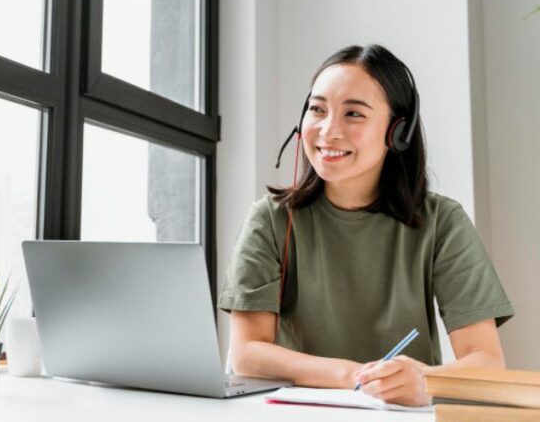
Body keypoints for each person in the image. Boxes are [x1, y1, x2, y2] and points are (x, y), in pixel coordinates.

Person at [218, 44, 514, 407]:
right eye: (317, 109)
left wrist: (427, 380)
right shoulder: (271, 218)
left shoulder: (443, 222)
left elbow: (488, 362)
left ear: (397, 133)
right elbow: (247, 354)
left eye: (353, 114)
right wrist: (355, 376)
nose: (328, 130)